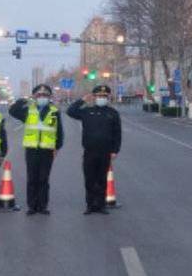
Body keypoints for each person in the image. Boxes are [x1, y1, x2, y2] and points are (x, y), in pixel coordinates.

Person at [66, 85, 122, 215]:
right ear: (94, 97)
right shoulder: (87, 111)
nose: (101, 98)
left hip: (105, 152)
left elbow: (117, 134)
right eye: (98, 96)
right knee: (90, 179)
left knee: (102, 179)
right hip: (90, 151)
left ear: (108, 98)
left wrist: (115, 150)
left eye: (104, 96)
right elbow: (70, 111)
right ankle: (90, 205)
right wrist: (83, 100)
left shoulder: (112, 113)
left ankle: (101, 205)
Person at [9, 84, 64, 215]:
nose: (42, 97)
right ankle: (32, 206)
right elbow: (12, 110)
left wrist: (57, 147)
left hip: (47, 150)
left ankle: (43, 206)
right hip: (32, 149)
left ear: (49, 97)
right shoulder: (28, 110)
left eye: (45, 95)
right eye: (39, 95)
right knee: (32, 178)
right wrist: (25, 100)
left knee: (44, 179)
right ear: (35, 96)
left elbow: (59, 131)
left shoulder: (54, 111)